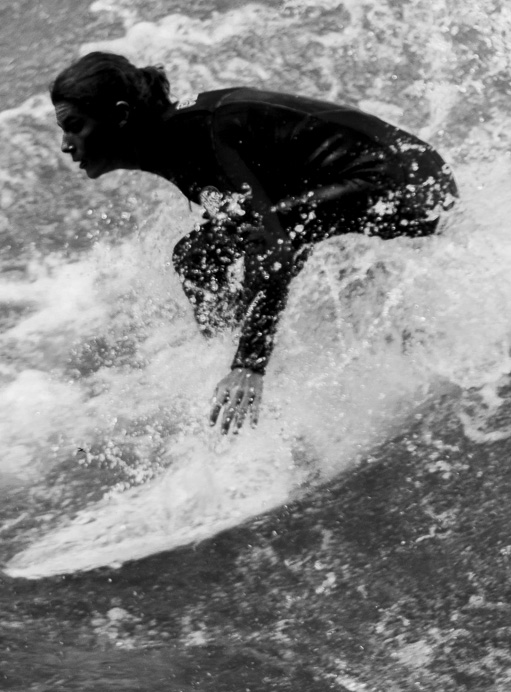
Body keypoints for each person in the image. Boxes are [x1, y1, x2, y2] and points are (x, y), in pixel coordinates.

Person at [52, 52, 458, 434]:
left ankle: (245, 374)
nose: (67, 145)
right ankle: (225, 365)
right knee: (196, 257)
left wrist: (250, 362)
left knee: (270, 235)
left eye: (75, 127)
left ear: (120, 116)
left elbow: (274, 246)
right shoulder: (171, 139)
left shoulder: (195, 136)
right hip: (379, 183)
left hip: (410, 182)